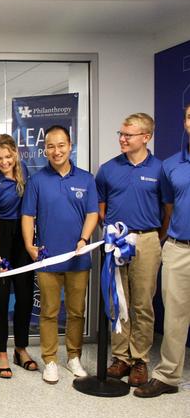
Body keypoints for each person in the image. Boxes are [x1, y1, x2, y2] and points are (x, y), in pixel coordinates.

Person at [21, 125, 98, 385]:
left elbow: (92, 214)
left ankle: (73, 356)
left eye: (61, 145)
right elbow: (28, 216)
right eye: (51, 146)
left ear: (70, 145)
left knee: (76, 311)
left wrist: (84, 239)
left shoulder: (86, 179)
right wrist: (30, 246)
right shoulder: (37, 181)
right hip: (47, 258)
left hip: (78, 258)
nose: (56, 151)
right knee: (49, 312)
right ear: (45, 149)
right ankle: (50, 360)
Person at [96, 113, 165, 387]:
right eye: (121, 134)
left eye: (129, 135)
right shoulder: (108, 169)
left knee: (142, 304)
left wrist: (152, 236)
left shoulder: (160, 170)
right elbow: (100, 205)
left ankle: (139, 360)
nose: (122, 139)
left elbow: (167, 209)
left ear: (145, 137)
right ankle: (120, 357)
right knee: (118, 301)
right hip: (116, 241)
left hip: (147, 241)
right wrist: (113, 231)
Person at [135, 104, 190, 398]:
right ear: (184, 122)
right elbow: (168, 207)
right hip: (180, 249)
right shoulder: (171, 165)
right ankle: (168, 376)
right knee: (175, 318)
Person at [0, 134, 37, 379]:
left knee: (25, 295)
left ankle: (21, 349)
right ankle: (1, 353)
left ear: (15, 153)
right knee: (0, 297)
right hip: (1, 235)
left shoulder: (24, 170)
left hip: (23, 234)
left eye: (7, 157)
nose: (4, 162)